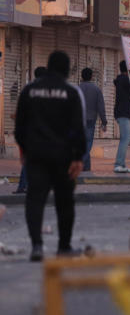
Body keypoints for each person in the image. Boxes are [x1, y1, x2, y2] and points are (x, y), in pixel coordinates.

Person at [15, 51, 85, 262]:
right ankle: (64, 247)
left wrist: (24, 150)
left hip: (36, 155)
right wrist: (78, 157)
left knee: (34, 200)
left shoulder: (30, 90)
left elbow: (20, 125)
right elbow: (78, 128)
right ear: (66, 69)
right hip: (62, 157)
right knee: (65, 202)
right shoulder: (71, 92)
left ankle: (37, 245)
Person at [112, 60, 130, 174]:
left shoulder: (122, 80)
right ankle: (119, 164)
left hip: (122, 112)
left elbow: (126, 96)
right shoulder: (125, 80)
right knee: (125, 138)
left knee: (125, 138)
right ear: (128, 69)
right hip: (123, 113)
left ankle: (122, 164)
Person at [78, 68, 107, 172]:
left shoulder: (77, 89)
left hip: (78, 120)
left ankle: (86, 167)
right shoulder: (96, 89)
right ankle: (81, 162)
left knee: (81, 143)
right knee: (88, 142)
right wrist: (104, 122)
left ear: (82, 76)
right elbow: (101, 107)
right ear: (91, 77)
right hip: (90, 119)